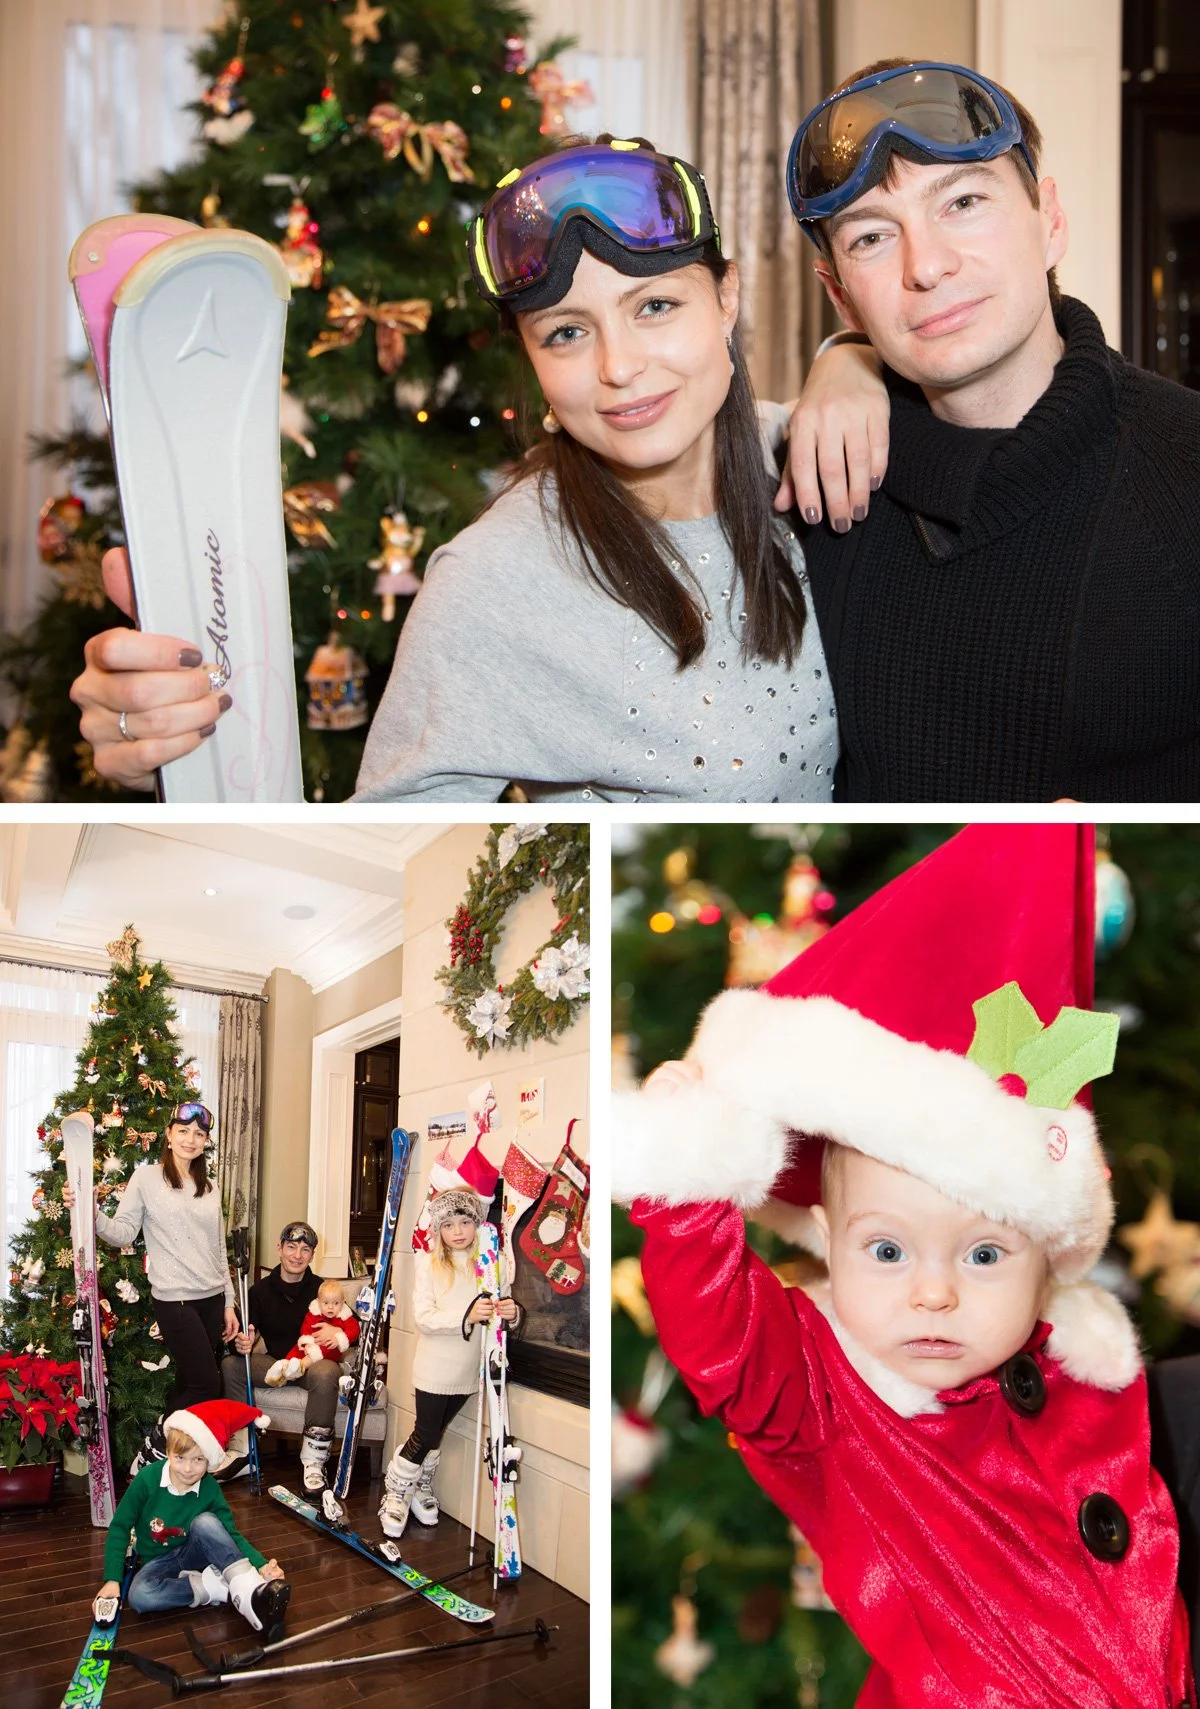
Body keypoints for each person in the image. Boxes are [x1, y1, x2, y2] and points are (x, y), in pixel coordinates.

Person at [68, 137, 892, 805]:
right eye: (566, 332)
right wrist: (176, 752)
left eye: (655, 307)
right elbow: (393, 845)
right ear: (530, 359)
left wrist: (858, 357)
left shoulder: (819, 455)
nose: (619, 367)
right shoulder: (495, 578)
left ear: (727, 298)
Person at [612, 824, 1192, 1707]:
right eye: (885, 1249)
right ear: (829, 1242)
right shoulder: (826, 1392)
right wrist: (689, 1181)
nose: (933, 1289)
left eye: (987, 1252)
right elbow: (718, 1334)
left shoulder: (1098, 1381)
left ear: (1050, 1266)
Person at [787, 58, 1200, 802]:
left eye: (964, 201)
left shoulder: (1185, 471)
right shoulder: (814, 494)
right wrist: (843, 362)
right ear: (841, 298)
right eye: (873, 238)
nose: (929, 266)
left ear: (1051, 221)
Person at [63, 1101, 235, 1472]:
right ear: (169, 1134)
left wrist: (229, 1302)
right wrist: (92, 1214)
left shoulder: (210, 1187)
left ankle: (165, 1466)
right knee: (208, 1384)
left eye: (199, 1134)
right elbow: (123, 1232)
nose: (191, 1140)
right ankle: (156, 1445)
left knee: (189, 1382)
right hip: (175, 1300)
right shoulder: (146, 1178)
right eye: (183, 1131)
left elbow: (219, 1247)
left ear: (206, 1141)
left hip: (211, 1298)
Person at [378, 1189, 521, 1539]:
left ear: (477, 1224)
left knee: (436, 1433)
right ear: (439, 1229)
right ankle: (395, 1493)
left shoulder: (491, 1262)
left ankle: (420, 1485)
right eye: (449, 1224)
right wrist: (468, 1314)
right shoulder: (428, 1263)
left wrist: (512, 1313)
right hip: (435, 1367)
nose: (458, 1231)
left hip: (468, 1370)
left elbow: (503, 1308)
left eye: (465, 1222)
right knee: (425, 1431)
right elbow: (423, 1318)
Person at [91, 1398, 290, 1642]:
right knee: (140, 1596)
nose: (188, 1469)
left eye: (198, 1460)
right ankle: (215, 1587)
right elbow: (120, 1526)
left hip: (195, 1551)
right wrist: (112, 1580)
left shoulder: (209, 1488)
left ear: (211, 1461)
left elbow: (230, 1533)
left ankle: (249, 1587)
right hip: (157, 1560)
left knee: (207, 1521)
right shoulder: (147, 1479)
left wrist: (261, 1565)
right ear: (169, 1453)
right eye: (180, 1458)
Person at [221, 1221, 349, 1493]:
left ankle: (314, 1460)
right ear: (279, 1249)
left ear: (312, 1254)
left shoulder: (324, 1290)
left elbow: (355, 1327)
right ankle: (241, 1448)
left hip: (313, 1365)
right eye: (291, 1247)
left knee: (327, 1372)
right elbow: (240, 1336)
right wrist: (241, 1344)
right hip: (277, 1366)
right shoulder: (258, 1291)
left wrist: (335, 1329)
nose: (297, 1255)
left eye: (305, 1249)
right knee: (231, 1365)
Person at [263, 1276, 360, 1386]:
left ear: (343, 1303)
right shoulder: (313, 1314)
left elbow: (355, 1330)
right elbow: (306, 1328)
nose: (330, 1307)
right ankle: (285, 1367)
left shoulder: (346, 1318)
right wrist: (307, 1343)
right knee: (297, 1349)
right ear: (319, 1302)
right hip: (313, 1343)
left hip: (331, 1350)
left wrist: (339, 1337)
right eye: (326, 1303)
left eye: (336, 1303)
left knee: (326, 1347)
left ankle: (302, 1365)